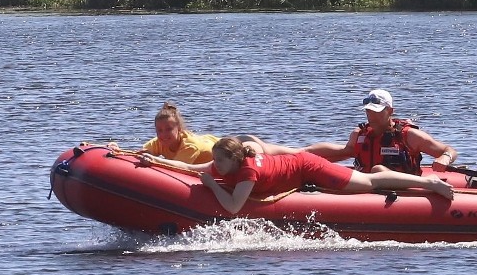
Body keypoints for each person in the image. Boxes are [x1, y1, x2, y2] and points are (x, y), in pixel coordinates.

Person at [146, 137, 454, 214]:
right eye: (214, 163)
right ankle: (389, 173)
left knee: (368, 183)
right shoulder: (227, 163)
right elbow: (192, 168)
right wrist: (154, 161)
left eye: (217, 163)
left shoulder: (246, 171)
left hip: (308, 167)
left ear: (232, 160)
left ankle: (429, 182)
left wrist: (212, 185)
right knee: (368, 180)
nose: (213, 166)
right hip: (294, 165)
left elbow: (233, 207)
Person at [303, 89, 458, 175]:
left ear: (390, 111)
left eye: (377, 111)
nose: (371, 115)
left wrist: (445, 158)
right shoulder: (360, 134)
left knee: (378, 170)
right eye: (369, 111)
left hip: (402, 189)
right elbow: (342, 152)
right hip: (368, 188)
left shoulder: (409, 136)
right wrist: (304, 156)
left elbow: (448, 150)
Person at [109, 102, 295, 163]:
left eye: (168, 130)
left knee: (298, 153)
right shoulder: (158, 142)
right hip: (224, 142)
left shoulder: (189, 147)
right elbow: (141, 154)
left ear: (179, 130)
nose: (163, 134)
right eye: (159, 130)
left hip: (242, 146)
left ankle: (320, 156)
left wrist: (152, 159)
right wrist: (119, 151)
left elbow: (175, 168)